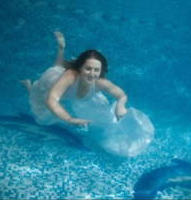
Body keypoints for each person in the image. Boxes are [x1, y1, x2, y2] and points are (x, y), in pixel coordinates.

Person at [21, 32, 154, 157]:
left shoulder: (101, 82)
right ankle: (31, 84)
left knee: (101, 110)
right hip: (51, 84)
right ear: (80, 68)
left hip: (79, 93)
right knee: (40, 113)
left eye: (96, 70)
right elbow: (51, 100)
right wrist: (69, 119)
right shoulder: (70, 76)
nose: (92, 74)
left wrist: (120, 105)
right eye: (88, 68)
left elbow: (121, 95)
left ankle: (60, 53)